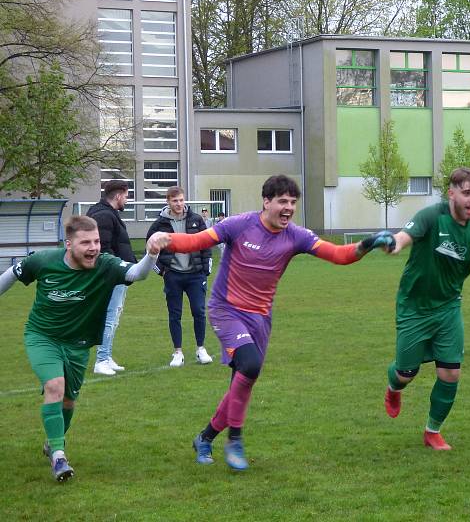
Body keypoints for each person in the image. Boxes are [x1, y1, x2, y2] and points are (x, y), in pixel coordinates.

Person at [148, 175, 394, 470]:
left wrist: (370, 243)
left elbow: (339, 255)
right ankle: (235, 440)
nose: (288, 207)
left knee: (240, 385)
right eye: (282, 201)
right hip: (226, 310)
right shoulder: (239, 225)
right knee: (250, 366)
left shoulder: (297, 236)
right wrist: (167, 240)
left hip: (260, 318)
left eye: (293, 202)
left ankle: (205, 437)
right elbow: (198, 241)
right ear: (266, 202)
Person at [0, 216, 162, 481]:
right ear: (68, 244)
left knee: (68, 400)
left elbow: (137, 273)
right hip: (43, 337)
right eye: (85, 242)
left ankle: (53, 441)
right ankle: (59, 458)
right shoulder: (43, 261)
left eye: (96, 241)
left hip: (78, 344)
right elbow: (12, 275)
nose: (93, 247)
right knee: (55, 385)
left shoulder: (106, 265)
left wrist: (151, 254)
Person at [383, 168, 470, 451]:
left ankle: (432, 431)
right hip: (414, 306)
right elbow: (403, 238)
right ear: (450, 193)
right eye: (466, 193)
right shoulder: (431, 216)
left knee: (450, 373)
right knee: (405, 373)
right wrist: (393, 244)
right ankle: (394, 388)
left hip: (449, 307)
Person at [146, 186, 214, 367]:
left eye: (181, 200)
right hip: (173, 275)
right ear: (168, 202)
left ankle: (201, 349)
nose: (179, 204)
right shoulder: (160, 224)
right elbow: (150, 248)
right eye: (175, 200)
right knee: (174, 314)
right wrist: (161, 270)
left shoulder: (196, 219)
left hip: (195, 276)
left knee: (199, 311)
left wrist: (205, 269)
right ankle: (178, 352)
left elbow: (207, 243)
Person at [86, 179, 136, 376]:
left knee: (113, 317)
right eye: (126, 195)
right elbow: (103, 250)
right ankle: (101, 360)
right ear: (117, 196)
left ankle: (106, 355)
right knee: (109, 317)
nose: (127, 199)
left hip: (116, 275)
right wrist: (118, 269)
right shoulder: (105, 216)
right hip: (111, 276)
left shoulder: (105, 213)